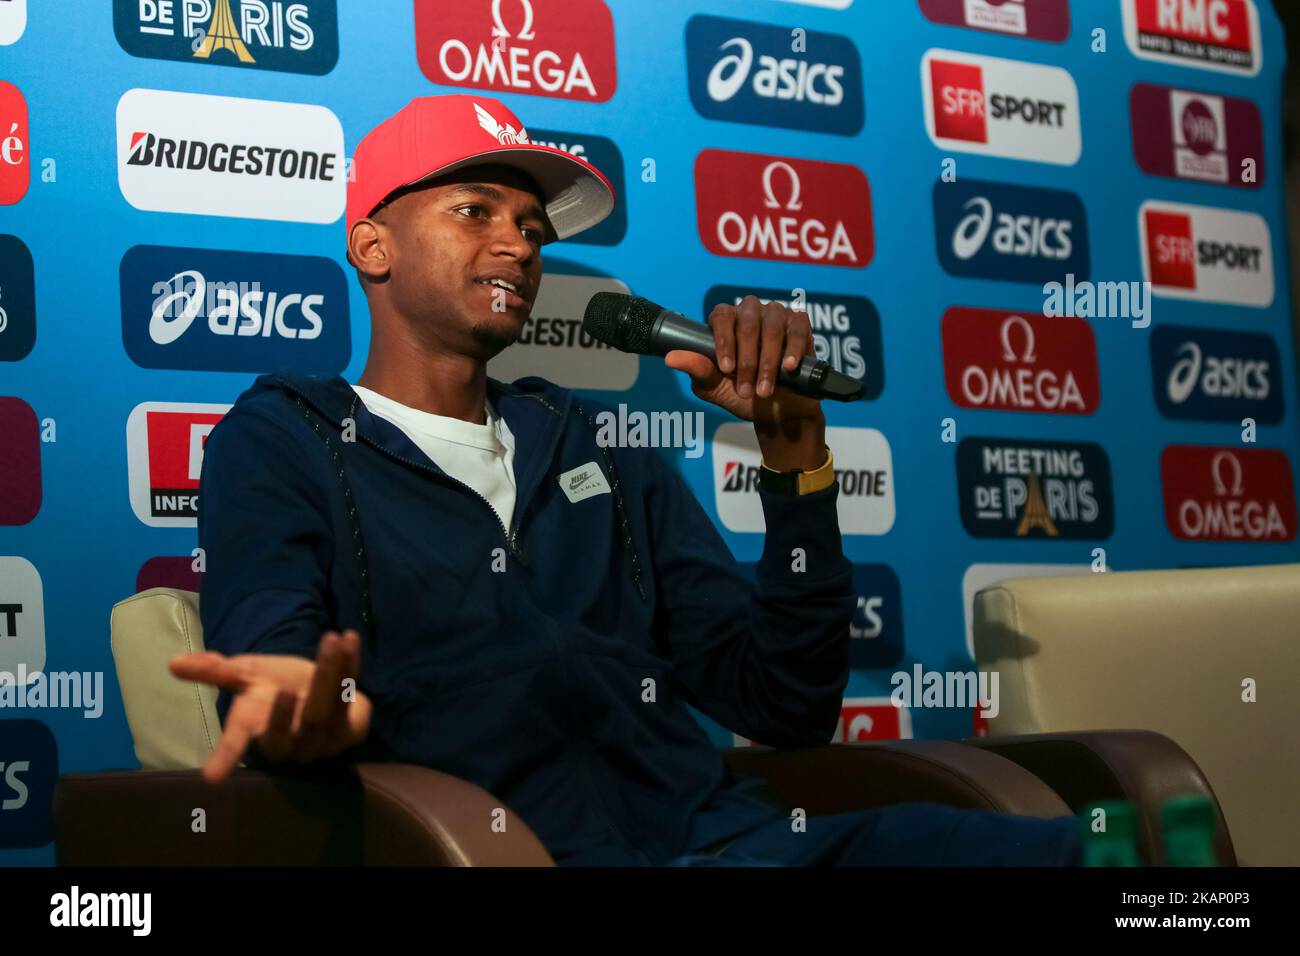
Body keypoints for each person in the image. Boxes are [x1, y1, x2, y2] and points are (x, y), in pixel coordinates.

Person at [172, 94, 1080, 866]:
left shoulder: (594, 445)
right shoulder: (283, 439)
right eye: (475, 212)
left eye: (531, 228)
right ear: (373, 247)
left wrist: (795, 456)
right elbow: (279, 674)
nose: (520, 247)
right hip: (491, 854)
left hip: (725, 842)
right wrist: (311, 712)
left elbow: (784, 706)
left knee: (1085, 849)